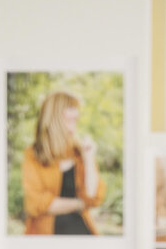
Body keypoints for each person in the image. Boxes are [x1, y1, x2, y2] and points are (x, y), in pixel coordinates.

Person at [21, 91, 105, 236]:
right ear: (54, 114)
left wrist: (89, 158)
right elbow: (35, 203)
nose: (76, 114)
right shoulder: (33, 154)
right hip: (46, 238)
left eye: (76, 109)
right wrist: (79, 204)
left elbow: (92, 197)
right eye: (70, 108)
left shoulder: (80, 151)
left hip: (82, 234)